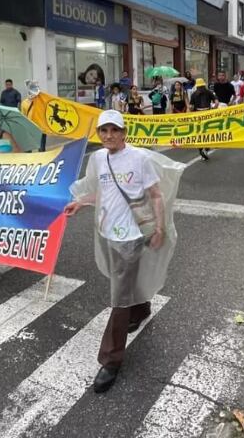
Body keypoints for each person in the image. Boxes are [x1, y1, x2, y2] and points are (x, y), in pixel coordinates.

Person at [65, 109, 182, 394]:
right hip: (107, 232)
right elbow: (103, 192)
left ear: (124, 133)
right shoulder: (98, 158)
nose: (108, 136)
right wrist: (81, 202)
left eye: (114, 130)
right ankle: (140, 309)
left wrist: (160, 228)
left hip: (131, 236)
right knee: (126, 282)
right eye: (103, 131)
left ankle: (111, 359)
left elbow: (156, 195)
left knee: (118, 296)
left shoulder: (139, 159)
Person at [189, 78, 218, 161]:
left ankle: (206, 148)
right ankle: (201, 149)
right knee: (199, 132)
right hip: (198, 114)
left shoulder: (208, 92)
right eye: (199, 87)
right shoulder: (194, 94)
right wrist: (190, 108)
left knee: (207, 131)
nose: (200, 88)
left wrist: (215, 105)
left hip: (207, 113)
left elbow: (215, 100)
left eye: (201, 87)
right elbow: (191, 105)